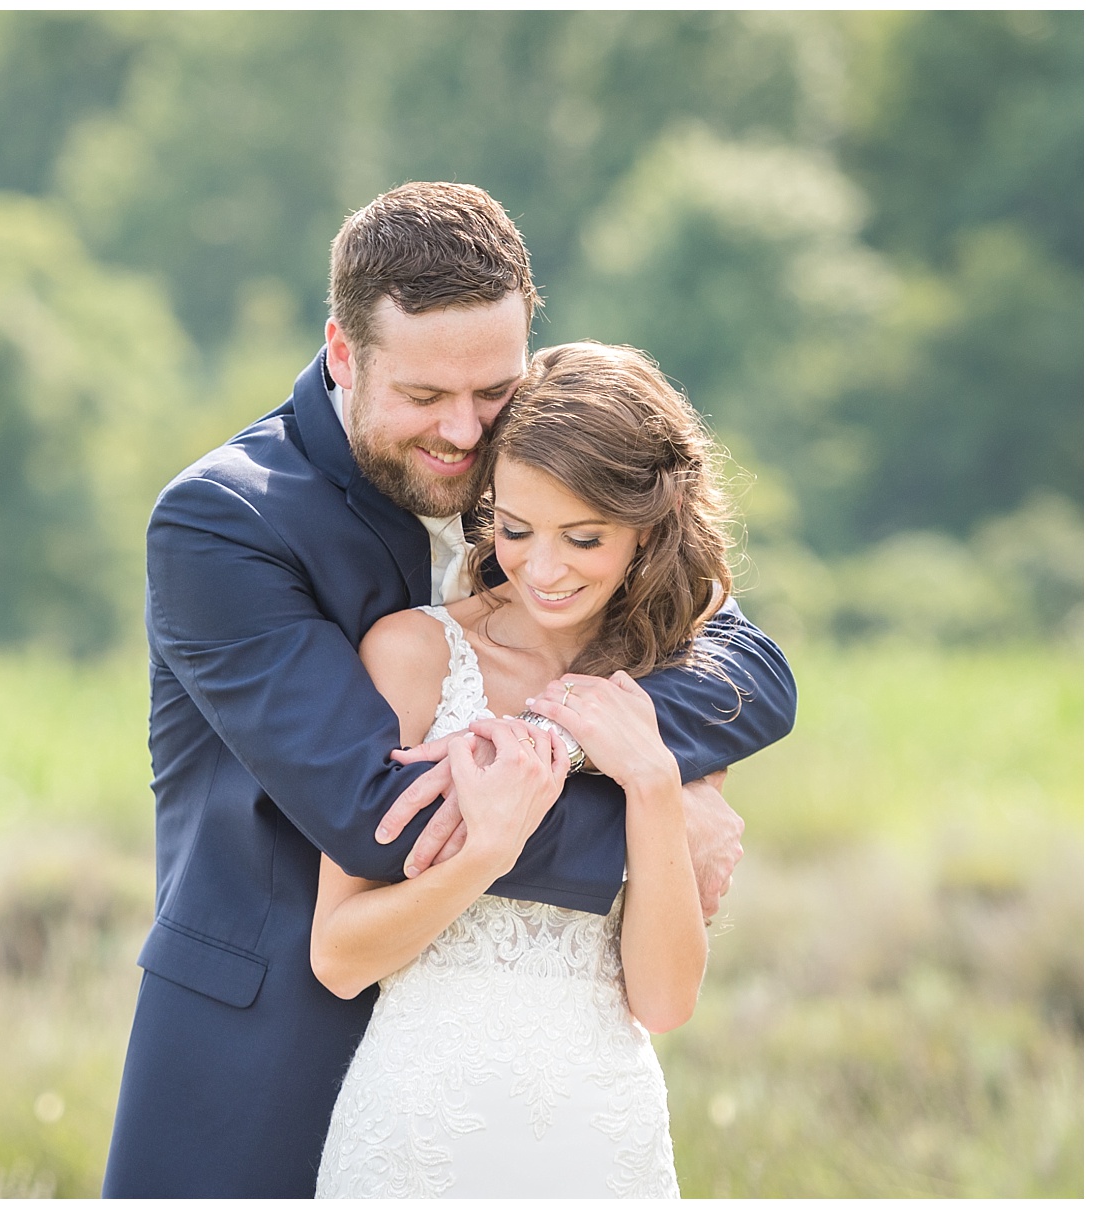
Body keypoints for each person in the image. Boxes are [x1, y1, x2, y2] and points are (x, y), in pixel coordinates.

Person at [102, 182, 796, 1198]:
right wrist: (652, 825)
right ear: (344, 353)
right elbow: (380, 814)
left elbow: (748, 674)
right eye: (425, 396)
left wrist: (604, 753)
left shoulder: (545, 477)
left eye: (493, 391)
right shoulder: (226, 523)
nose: (465, 433)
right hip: (263, 1049)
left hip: (546, 1085)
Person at [313, 340, 743, 1197]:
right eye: (514, 529)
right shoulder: (414, 653)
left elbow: (663, 1002)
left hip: (599, 1132)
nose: (543, 569)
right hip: (419, 1131)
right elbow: (340, 954)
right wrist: (485, 852)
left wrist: (654, 784)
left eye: (583, 538)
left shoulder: (670, 685)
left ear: (650, 526)